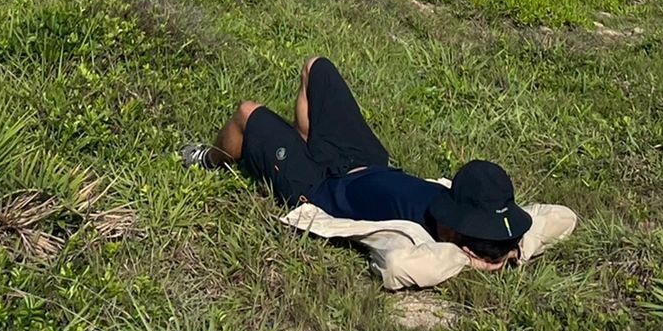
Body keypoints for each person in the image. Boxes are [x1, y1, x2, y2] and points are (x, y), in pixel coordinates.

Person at [181, 56, 531, 268]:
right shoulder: (470, 216)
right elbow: (563, 218)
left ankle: (210, 160)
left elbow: (398, 268)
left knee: (246, 113)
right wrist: (506, 251)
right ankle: (302, 143)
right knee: (316, 68)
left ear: (460, 237)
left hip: (317, 185)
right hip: (366, 161)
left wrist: (473, 263)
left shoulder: (419, 242)